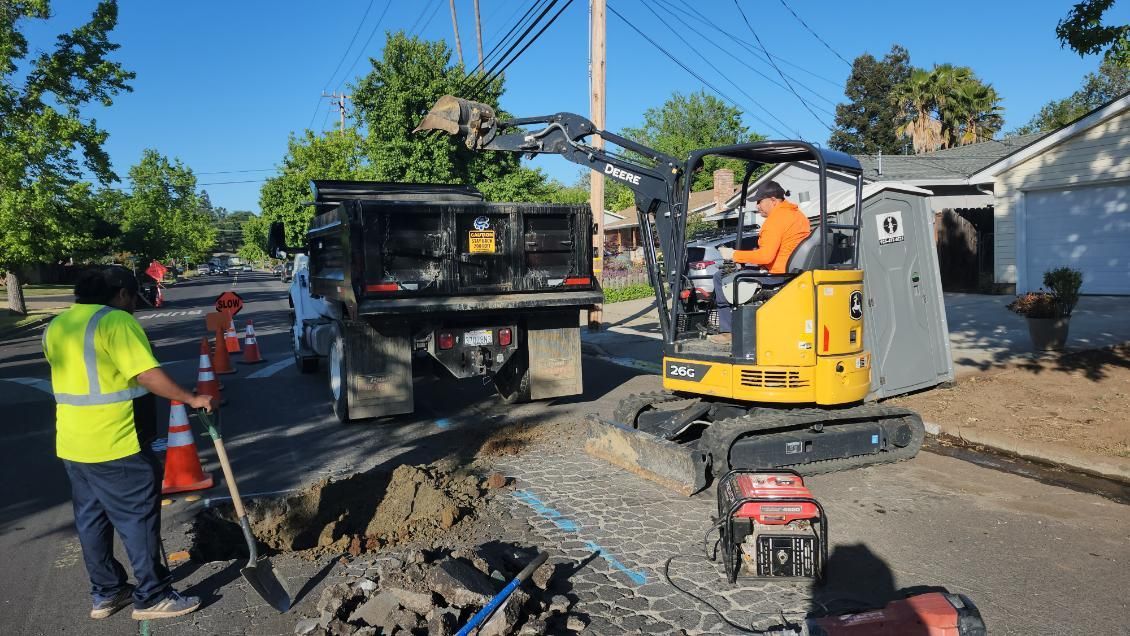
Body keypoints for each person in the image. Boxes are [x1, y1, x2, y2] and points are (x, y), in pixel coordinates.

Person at [42, 266, 213, 621]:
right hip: (118, 441)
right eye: (133, 296)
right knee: (137, 519)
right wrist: (191, 398)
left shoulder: (59, 325)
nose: (134, 303)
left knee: (92, 520)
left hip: (74, 443)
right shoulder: (116, 322)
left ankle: (106, 592)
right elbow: (146, 374)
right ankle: (152, 595)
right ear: (121, 293)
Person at [710, 181, 812, 344]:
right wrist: (746, 259)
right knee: (739, 270)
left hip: (776, 274)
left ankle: (728, 331)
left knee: (721, 277)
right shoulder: (798, 215)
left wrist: (734, 255)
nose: (757, 206)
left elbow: (765, 257)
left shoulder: (775, 220)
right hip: (792, 271)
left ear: (773, 200)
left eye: (759, 201)